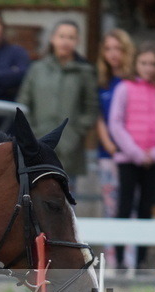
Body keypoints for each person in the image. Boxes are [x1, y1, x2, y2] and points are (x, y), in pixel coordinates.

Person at [107, 42, 155, 272]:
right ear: (135, 64)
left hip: (154, 160)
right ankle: (119, 259)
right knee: (124, 206)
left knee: (146, 208)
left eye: (153, 64)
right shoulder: (124, 88)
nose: (148, 68)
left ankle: (141, 261)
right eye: (144, 63)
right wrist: (136, 153)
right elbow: (115, 123)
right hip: (129, 159)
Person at [16, 20, 98, 179]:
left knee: (67, 190)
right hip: (38, 143)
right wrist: (32, 132)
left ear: (77, 41)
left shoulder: (85, 72)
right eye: (61, 36)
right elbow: (23, 104)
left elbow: (91, 107)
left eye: (71, 37)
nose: (65, 41)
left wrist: (76, 131)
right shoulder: (37, 69)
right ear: (52, 38)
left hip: (70, 146)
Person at [94, 28, 135, 271]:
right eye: (108, 49)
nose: (113, 54)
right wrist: (109, 144)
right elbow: (99, 117)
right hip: (107, 154)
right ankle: (112, 261)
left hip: (131, 155)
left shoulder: (134, 81)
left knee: (130, 207)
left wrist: (127, 146)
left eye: (118, 49)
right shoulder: (102, 82)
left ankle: (130, 261)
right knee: (110, 208)